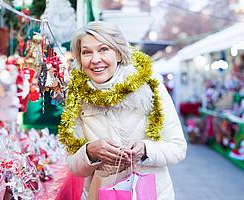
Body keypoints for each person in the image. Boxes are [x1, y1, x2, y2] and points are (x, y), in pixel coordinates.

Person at [58, 21, 187, 200]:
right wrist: (90, 152)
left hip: (151, 194)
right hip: (101, 194)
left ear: (118, 53)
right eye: (87, 52)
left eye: (103, 49)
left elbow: (177, 149)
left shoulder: (150, 88)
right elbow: (73, 165)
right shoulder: (76, 97)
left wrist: (145, 149)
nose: (95, 59)